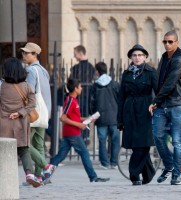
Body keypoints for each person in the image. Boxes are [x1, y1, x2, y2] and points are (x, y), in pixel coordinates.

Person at [149, 30, 181, 185]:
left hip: (176, 104)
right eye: (164, 41)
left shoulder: (179, 59)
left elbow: (170, 83)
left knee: (177, 140)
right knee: (158, 136)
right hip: (162, 104)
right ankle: (169, 164)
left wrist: (154, 101)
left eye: (170, 42)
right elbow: (159, 81)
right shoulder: (165, 57)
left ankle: (176, 174)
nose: (167, 44)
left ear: (177, 42)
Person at [49, 78, 109, 182]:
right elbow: (63, 118)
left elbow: (74, 117)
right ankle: (93, 177)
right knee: (85, 153)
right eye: (80, 87)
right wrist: (79, 125)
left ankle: (45, 174)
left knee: (60, 156)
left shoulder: (74, 100)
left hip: (71, 133)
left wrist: (87, 119)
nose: (81, 88)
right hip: (73, 133)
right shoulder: (70, 100)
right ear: (75, 89)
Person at [118, 44, 158, 185]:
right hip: (129, 111)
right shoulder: (126, 73)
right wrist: (120, 119)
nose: (137, 57)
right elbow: (121, 96)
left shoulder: (151, 72)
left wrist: (156, 105)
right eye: (134, 55)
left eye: (140, 55)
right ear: (130, 57)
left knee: (144, 144)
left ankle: (134, 174)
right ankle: (149, 173)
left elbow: (159, 92)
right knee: (136, 145)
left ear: (145, 57)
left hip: (145, 111)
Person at [0, 57, 41, 187]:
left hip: (3, 123)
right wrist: (20, 113)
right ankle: (29, 174)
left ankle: (5, 177)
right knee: (24, 150)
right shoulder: (26, 86)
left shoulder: (2, 86)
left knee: (3, 151)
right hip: (20, 123)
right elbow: (32, 103)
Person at [20, 42, 55, 183]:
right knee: (39, 145)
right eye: (23, 52)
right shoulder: (43, 70)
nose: (23, 55)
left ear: (34, 54)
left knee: (25, 143)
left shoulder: (30, 71)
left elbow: (29, 93)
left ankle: (47, 166)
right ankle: (39, 176)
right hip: (44, 113)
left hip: (34, 113)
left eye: (26, 53)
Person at [90, 62, 120, 169]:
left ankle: (104, 163)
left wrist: (92, 114)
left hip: (100, 116)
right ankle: (114, 162)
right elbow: (120, 100)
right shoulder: (115, 84)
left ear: (97, 72)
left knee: (102, 141)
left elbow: (92, 102)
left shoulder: (95, 85)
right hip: (114, 116)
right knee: (115, 140)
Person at [70, 45, 96, 144]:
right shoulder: (91, 68)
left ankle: (79, 137)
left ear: (80, 54)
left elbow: (71, 84)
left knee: (77, 118)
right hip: (89, 97)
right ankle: (86, 137)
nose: (74, 56)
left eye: (75, 54)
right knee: (86, 117)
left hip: (78, 97)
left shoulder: (75, 68)